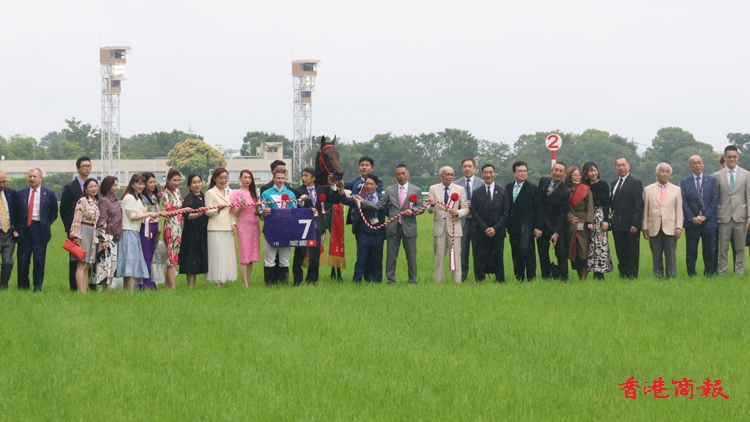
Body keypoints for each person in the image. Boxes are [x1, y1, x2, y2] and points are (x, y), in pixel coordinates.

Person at [359, 164, 424, 284]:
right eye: (398, 174)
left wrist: (413, 211)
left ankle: (412, 280)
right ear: (395, 175)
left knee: (411, 256)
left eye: (403, 173)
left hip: (409, 227)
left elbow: (421, 207)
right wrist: (364, 202)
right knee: (391, 255)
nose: (401, 176)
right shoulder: (390, 190)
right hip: (393, 227)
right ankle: (390, 279)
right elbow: (379, 205)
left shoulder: (416, 190)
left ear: (408, 173)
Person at [292, 167, 340, 285]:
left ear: (313, 178)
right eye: (302, 175)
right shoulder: (298, 191)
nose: (303, 178)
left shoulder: (321, 190)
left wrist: (333, 186)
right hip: (302, 226)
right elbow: (295, 208)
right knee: (300, 253)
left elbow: (335, 199)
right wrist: (301, 201)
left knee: (315, 254)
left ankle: (312, 279)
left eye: (306, 175)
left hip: (317, 225)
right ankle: (297, 280)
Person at [13, 168, 58, 291]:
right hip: (24, 230)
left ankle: (37, 287)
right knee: (23, 259)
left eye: (34, 176)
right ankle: (23, 286)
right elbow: (15, 213)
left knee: (39, 260)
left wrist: (45, 223)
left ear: (40, 178)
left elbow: (53, 213)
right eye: (30, 176)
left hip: (40, 230)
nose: (32, 179)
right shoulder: (20, 193)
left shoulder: (49, 193)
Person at [117, 174, 160, 292]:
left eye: (142, 184)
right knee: (130, 262)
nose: (141, 186)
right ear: (132, 184)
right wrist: (149, 214)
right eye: (138, 183)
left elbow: (141, 215)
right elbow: (133, 216)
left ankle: (129, 291)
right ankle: (129, 291)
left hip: (135, 232)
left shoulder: (137, 197)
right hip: (129, 232)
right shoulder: (129, 197)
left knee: (132, 262)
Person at [427, 166, 469, 283]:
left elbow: (466, 209)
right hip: (439, 228)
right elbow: (430, 210)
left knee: (456, 257)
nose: (450, 177)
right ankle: (438, 282)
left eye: (452, 174)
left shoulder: (459, 189)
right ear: (441, 176)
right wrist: (433, 205)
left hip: (454, 228)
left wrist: (457, 213)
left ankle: (457, 281)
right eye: (447, 174)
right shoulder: (433, 188)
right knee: (439, 258)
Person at [341, 174, 386, 283]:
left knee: (377, 259)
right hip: (363, 233)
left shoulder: (383, 199)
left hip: (378, 233)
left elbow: (391, 211)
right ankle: (357, 280)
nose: (369, 186)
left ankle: (377, 281)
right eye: (367, 184)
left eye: (371, 184)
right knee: (361, 258)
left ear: (377, 185)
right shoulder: (358, 197)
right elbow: (345, 201)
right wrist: (341, 188)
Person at [714, 145, 750, 276]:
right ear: (725, 157)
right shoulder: (717, 176)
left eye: (734, 157)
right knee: (722, 248)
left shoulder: (746, 175)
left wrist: (749, 216)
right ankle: (723, 273)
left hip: (740, 217)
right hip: (723, 217)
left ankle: (739, 273)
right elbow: (715, 197)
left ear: (738, 157)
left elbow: (748, 196)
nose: (732, 159)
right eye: (729, 157)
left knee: (740, 248)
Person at [643, 163, 684, 278]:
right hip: (653, 226)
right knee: (656, 254)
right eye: (662, 171)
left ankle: (671, 276)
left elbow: (679, 210)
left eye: (667, 172)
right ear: (657, 173)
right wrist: (645, 226)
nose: (665, 174)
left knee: (671, 254)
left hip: (670, 226)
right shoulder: (648, 189)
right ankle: (658, 275)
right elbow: (645, 209)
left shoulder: (676, 190)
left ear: (670, 174)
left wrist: (678, 227)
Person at [470, 164, 509, 282]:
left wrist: (495, 228)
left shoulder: (503, 191)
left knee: (498, 256)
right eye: (486, 173)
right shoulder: (476, 193)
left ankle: (500, 279)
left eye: (491, 172)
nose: (488, 175)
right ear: (482, 174)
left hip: (498, 231)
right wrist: (485, 227)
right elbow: (474, 212)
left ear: (494, 174)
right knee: (480, 257)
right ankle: (480, 279)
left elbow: (506, 212)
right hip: (481, 231)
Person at [680, 155, 718, 277]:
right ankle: (691, 273)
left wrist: (705, 216)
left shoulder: (711, 180)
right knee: (691, 250)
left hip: (709, 222)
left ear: (703, 164)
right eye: (694, 163)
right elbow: (684, 202)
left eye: (699, 162)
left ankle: (709, 273)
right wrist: (692, 217)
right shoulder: (685, 181)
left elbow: (714, 200)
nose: (697, 165)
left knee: (709, 250)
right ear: (690, 166)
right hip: (692, 222)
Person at [259, 169, 300, 285]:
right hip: (271, 229)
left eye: (283, 178)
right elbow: (260, 210)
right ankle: (269, 283)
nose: (280, 180)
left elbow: (295, 211)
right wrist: (263, 212)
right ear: (273, 178)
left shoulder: (291, 194)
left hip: (286, 229)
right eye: (278, 178)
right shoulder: (266, 194)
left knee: (284, 258)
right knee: (270, 257)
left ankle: (283, 283)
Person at [506, 161, 543, 282]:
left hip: (528, 226)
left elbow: (539, 209)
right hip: (513, 226)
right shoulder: (508, 188)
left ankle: (531, 277)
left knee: (527, 251)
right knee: (516, 252)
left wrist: (539, 227)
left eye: (525, 171)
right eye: (520, 171)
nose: (523, 173)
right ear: (513, 173)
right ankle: (519, 277)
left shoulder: (532, 188)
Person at [60, 156, 91, 291]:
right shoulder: (70, 187)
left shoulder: (93, 186)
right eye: (84, 166)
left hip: (90, 229)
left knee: (90, 258)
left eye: (89, 166)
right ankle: (74, 287)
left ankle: (90, 285)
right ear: (78, 168)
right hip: (75, 230)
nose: (87, 168)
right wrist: (70, 229)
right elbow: (64, 209)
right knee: (75, 258)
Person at [610, 157, 644, 279]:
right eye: (618, 165)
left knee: (632, 252)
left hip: (631, 225)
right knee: (620, 251)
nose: (621, 168)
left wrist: (636, 224)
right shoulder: (614, 183)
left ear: (629, 166)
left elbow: (639, 205)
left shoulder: (635, 183)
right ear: (615, 168)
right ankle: (623, 273)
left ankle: (632, 275)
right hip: (617, 225)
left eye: (624, 165)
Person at [205, 168, 238, 287]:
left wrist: (233, 223)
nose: (223, 180)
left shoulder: (229, 192)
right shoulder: (210, 193)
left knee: (226, 255)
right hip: (215, 228)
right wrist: (217, 209)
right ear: (215, 179)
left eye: (225, 178)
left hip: (227, 228)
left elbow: (231, 212)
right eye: (221, 178)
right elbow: (207, 212)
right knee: (217, 255)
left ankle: (223, 281)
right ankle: (217, 282)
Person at [537, 162, 571, 281]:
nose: (558, 173)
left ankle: (564, 277)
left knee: (561, 252)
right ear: (551, 171)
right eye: (556, 170)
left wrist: (556, 233)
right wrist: (538, 226)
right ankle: (546, 276)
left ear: (565, 174)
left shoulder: (566, 191)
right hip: (541, 226)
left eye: (561, 171)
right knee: (542, 253)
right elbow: (538, 204)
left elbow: (562, 214)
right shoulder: (543, 181)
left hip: (557, 226)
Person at [581, 162, 614, 280]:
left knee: (600, 244)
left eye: (595, 170)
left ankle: (600, 273)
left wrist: (606, 220)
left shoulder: (603, 184)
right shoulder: (584, 186)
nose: (594, 173)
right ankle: (587, 270)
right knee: (588, 244)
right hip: (587, 217)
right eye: (590, 171)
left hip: (600, 216)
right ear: (586, 173)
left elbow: (606, 204)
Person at [230, 170, 261, 287]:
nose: (247, 180)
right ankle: (244, 283)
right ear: (240, 178)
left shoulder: (254, 193)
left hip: (254, 224)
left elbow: (256, 213)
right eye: (245, 177)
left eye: (249, 178)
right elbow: (235, 213)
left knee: (251, 255)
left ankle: (247, 280)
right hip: (243, 225)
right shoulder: (236, 193)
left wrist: (258, 207)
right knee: (244, 253)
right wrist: (241, 206)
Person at [160, 168, 190, 290]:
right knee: (171, 257)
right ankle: (172, 286)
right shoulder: (165, 194)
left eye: (179, 180)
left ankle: (168, 284)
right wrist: (183, 210)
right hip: (170, 228)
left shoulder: (177, 192)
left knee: (174, 256)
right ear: (168, 180)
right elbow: (168, 211)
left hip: (179, 227)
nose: (177, 183)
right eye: (174, 180)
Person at [69, 179, 100, 292]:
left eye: (95, 186)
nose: (94, 189)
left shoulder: (96, 202)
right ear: (85, 189)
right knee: (81, 264)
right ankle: (80, 291)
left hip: (93, 232)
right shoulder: (82, 201)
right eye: (91, 187)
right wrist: (76, 236)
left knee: (88, 264)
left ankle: (84, 290)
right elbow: (77, 218)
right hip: (83, 231)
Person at [564, 167, 594, 281]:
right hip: (570, 224)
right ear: (569, 176)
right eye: (574, 175)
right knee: (574, 250)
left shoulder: (586, 190)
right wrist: (570, 217)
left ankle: (583, 277)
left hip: (583, 223)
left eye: (578, 175)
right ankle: (579, 275)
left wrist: (589, 221)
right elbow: (563, 207)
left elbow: (590, 207)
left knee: (583, 249)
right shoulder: (565, 190)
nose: (577, 177)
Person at [179, 174, 209, 289]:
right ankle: (190, 286)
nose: (197, 185)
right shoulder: (189, 197)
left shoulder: (203, 195)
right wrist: (199, 214)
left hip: (202, 231)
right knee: (191, 258)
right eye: (194, 182)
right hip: (191, 232)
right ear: (189, 185)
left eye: (199, 182)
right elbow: (186, 215)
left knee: (199, 257)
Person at [95, 176, 122, 288]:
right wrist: (102, 239)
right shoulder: (104, 201)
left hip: (115, 236)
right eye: (114, 185)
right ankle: (105, 289)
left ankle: (109, 287)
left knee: (113, 264)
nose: (117, 187)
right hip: (107, 236)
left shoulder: (115, 200)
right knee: (106, 264)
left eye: (117, 185)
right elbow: (101, 220)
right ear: (108, 186)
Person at [455, 157, 479, 282]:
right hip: (462, 221)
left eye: (470, 166)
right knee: (462, 251)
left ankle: (479, 277)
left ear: (475, 168)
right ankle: (462, 277)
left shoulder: (481, 183)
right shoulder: (456, 184)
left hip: (477, 222)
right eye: (465, 166)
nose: (467, 168)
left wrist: (474, 204)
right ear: (462, 169)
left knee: (478, 250)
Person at [344, 156, 383, 229]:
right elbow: (345, 184)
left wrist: (352, 196)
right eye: (362, 165)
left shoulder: (377, 181)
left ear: (372, 168)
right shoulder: (358, 180)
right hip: (357, 217)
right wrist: (334, 182)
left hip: (370, 216)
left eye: (366, 165)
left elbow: (372, 197)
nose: (364, 167)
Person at [138, 172, 161, 290]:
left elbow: (158, 212)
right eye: (150, 182)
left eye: (154, 182)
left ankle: (150, 280)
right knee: (145, 255)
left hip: (155, 227)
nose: (153, 184)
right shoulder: (140, 197)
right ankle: (144, 283)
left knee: (152, 256)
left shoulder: (154, 196)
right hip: (146, 227)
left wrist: (159, 228)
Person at [0, 171, 16, 289]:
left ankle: (3, 286)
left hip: (9, 234)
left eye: (4, 182)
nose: (2, 185)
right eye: (0, 182)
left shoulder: (11, 194)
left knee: (8, 262)